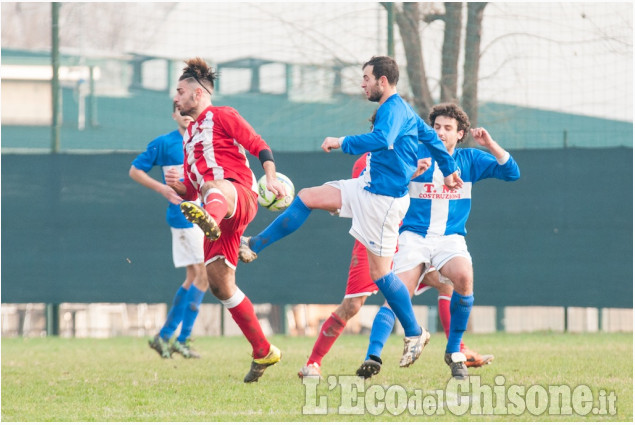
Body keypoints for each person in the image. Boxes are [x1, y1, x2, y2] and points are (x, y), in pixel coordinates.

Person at [238, 56, 463, 370]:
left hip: (383, 203)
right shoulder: (404, 112)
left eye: (366, 77)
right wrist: (450, 169)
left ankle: (414, 332)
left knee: (381, 275)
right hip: (366, 188)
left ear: (382, 81)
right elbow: (434, 143)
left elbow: (381, 139)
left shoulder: (393, 109)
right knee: (306, 197)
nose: (363, 83)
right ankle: (253, 245)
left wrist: (340, 141)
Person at [357, 102, 520, 379]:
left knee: (464, 277)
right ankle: (373, 356)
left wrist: (490, 144)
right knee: (397, 294)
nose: (441, 133)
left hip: (449, 239)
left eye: (448, 128)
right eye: (436, 127)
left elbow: (511, 172)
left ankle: (454, 352)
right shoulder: (415, 153)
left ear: (460, 134)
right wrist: (409, 172)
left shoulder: (469, 160)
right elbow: (381, 178)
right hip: (413, 237)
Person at [165, 57, 288, 383]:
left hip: (239, 198)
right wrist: (178, 186)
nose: (175, 98)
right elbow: (193, 191)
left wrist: (271, 177)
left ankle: (211, 217)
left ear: (199, 93)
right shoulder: (189, 139)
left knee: (214, 188)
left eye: (179, 91)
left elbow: (258, 144)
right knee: (220, 285)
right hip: (214, 209)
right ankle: (263, 350)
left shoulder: (222, 115)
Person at [129, 103, 207, 359]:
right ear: (174, 115)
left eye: (189, 111)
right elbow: (135, 170)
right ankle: (181, 339)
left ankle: (164, 336)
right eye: (180, 112)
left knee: (192, 276)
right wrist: (162, 188)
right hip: (185, 217)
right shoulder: (164, 143)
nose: (186, 116)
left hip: (204, 216)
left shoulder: (204, 142)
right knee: (205, 275)